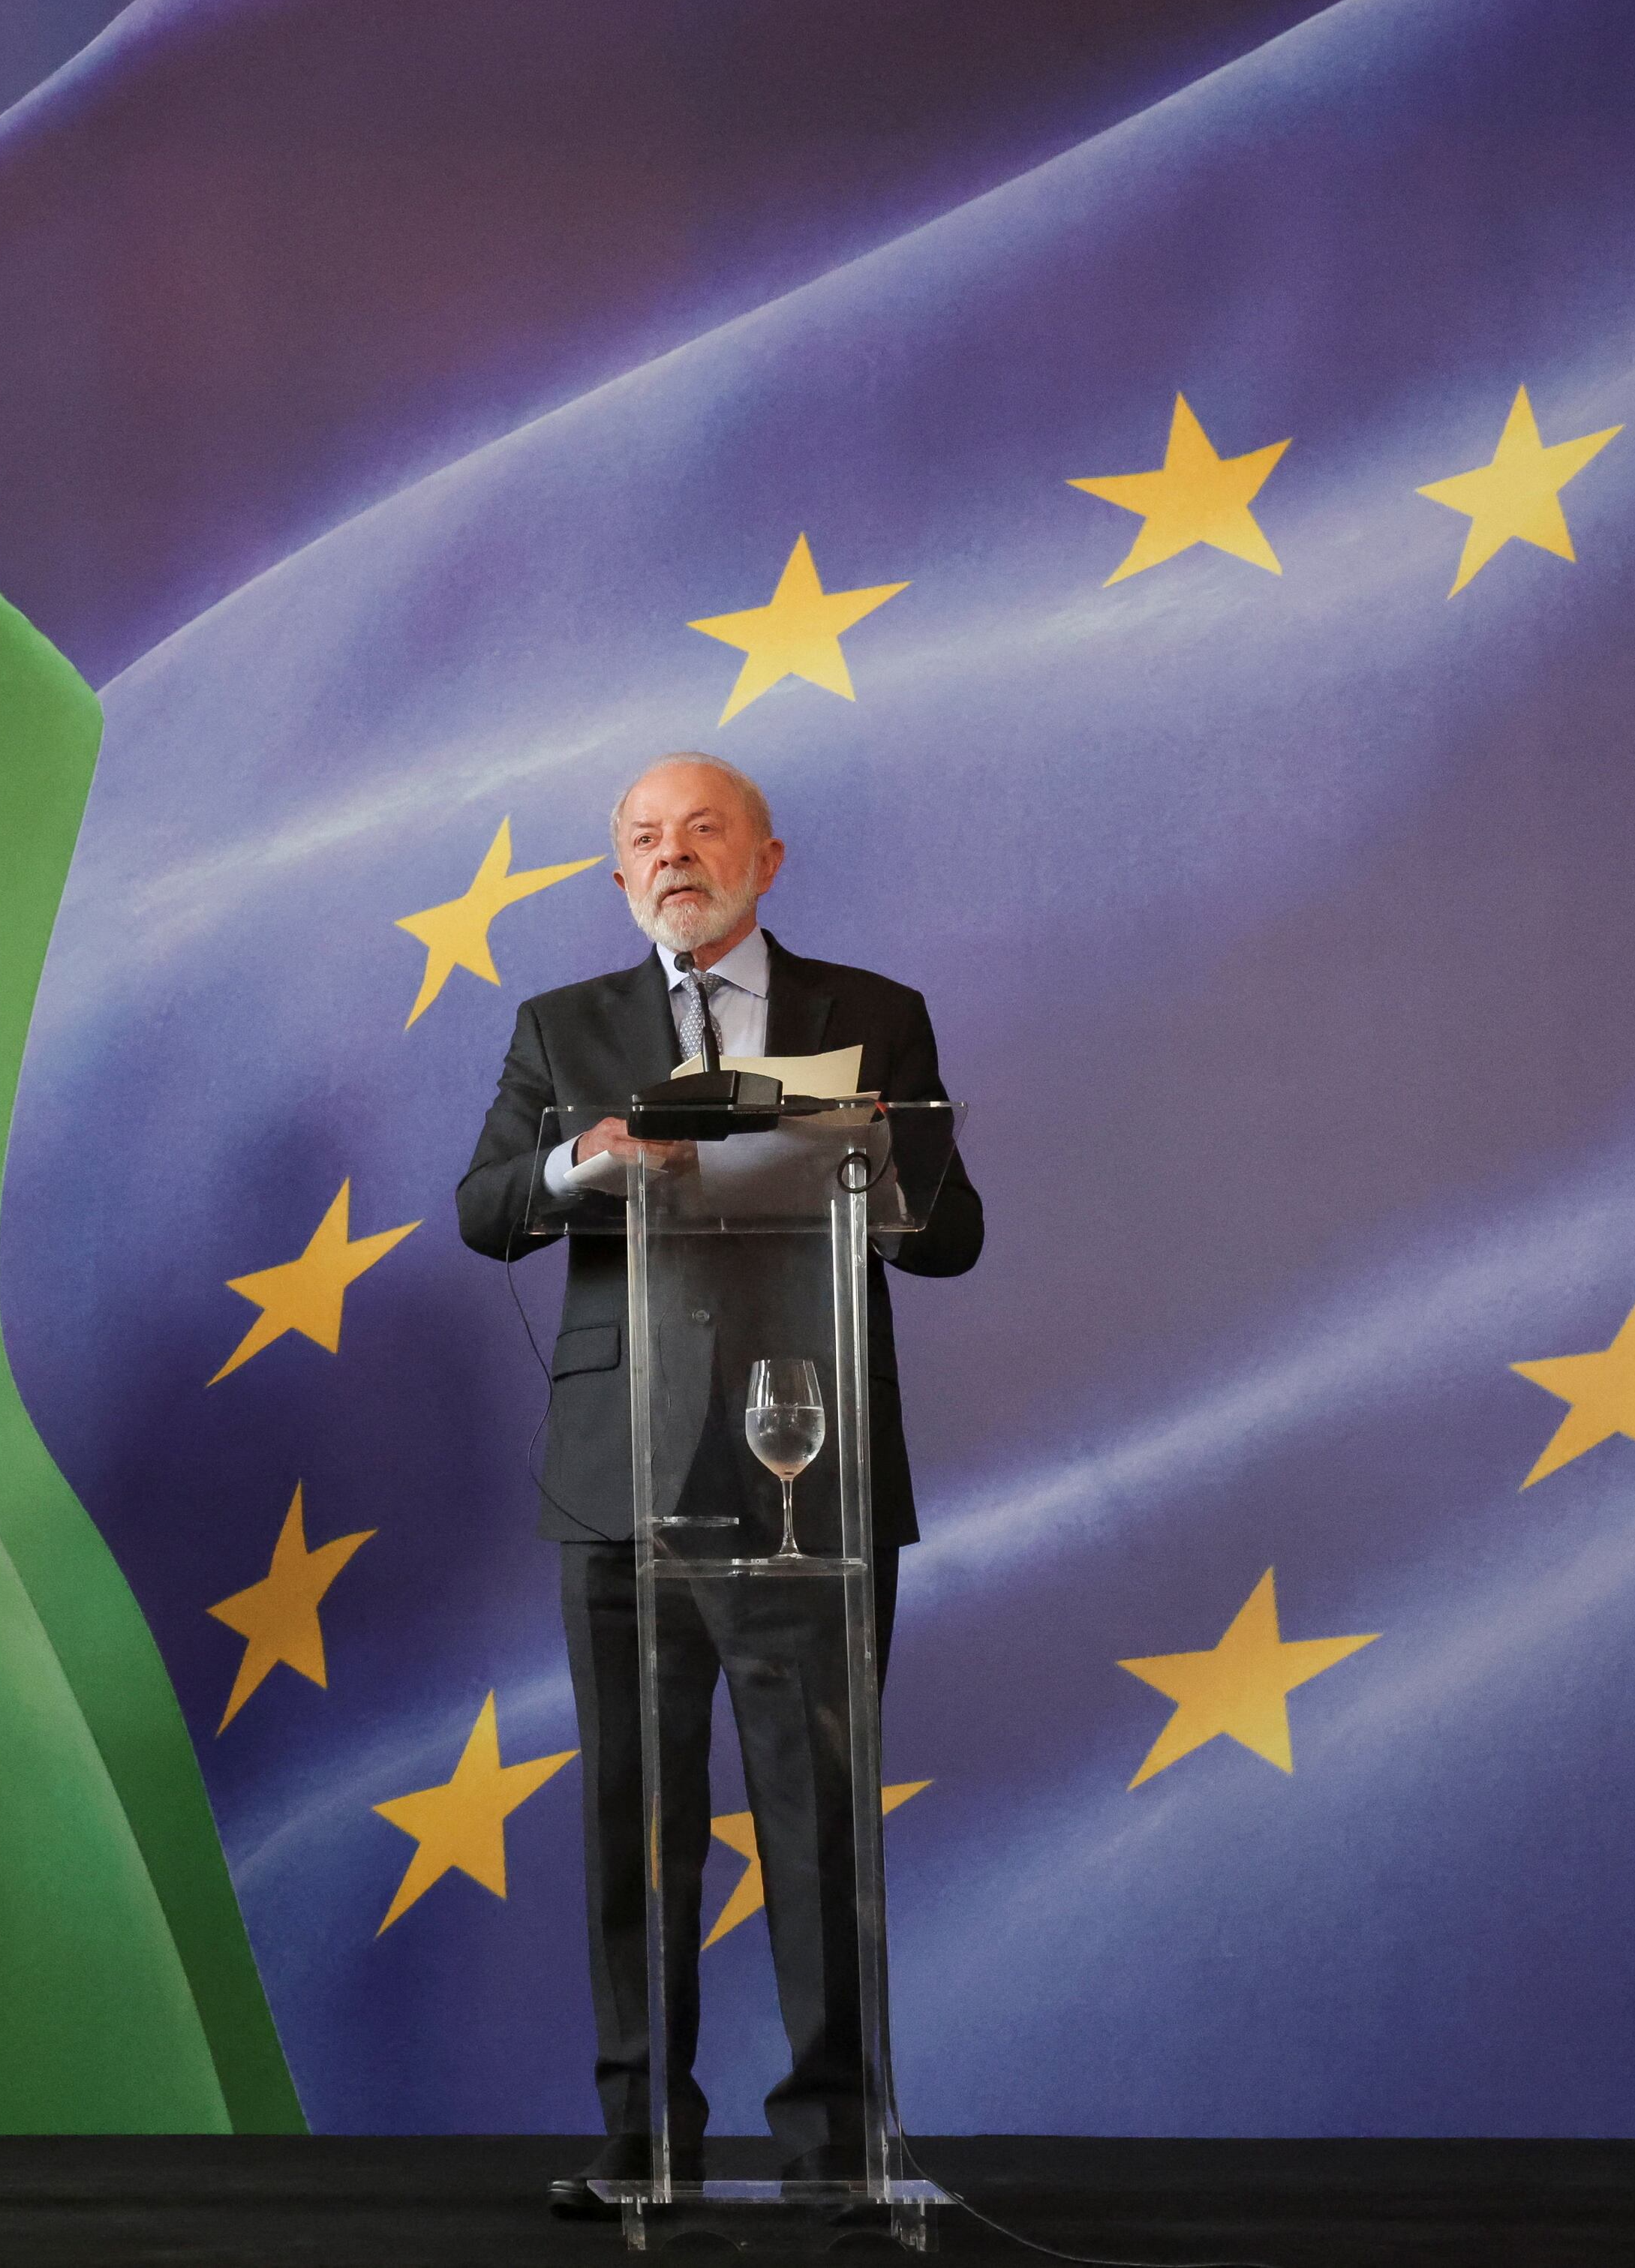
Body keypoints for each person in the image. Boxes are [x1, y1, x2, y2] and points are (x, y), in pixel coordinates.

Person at [455, 753, 981, 2212]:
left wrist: (871, 1172)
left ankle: (837, 2154)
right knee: (635, 1825)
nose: (669, 853)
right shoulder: (561, 1027)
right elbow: (482, 1207)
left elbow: (952, 1234)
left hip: (804, 1473)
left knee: (820, 1825)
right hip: (616, 1486)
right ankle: (645, 2151)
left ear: (767, 858)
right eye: (641, 837)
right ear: (617, 874)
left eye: (700, 829)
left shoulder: (870, 1015)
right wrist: (579, 1158)